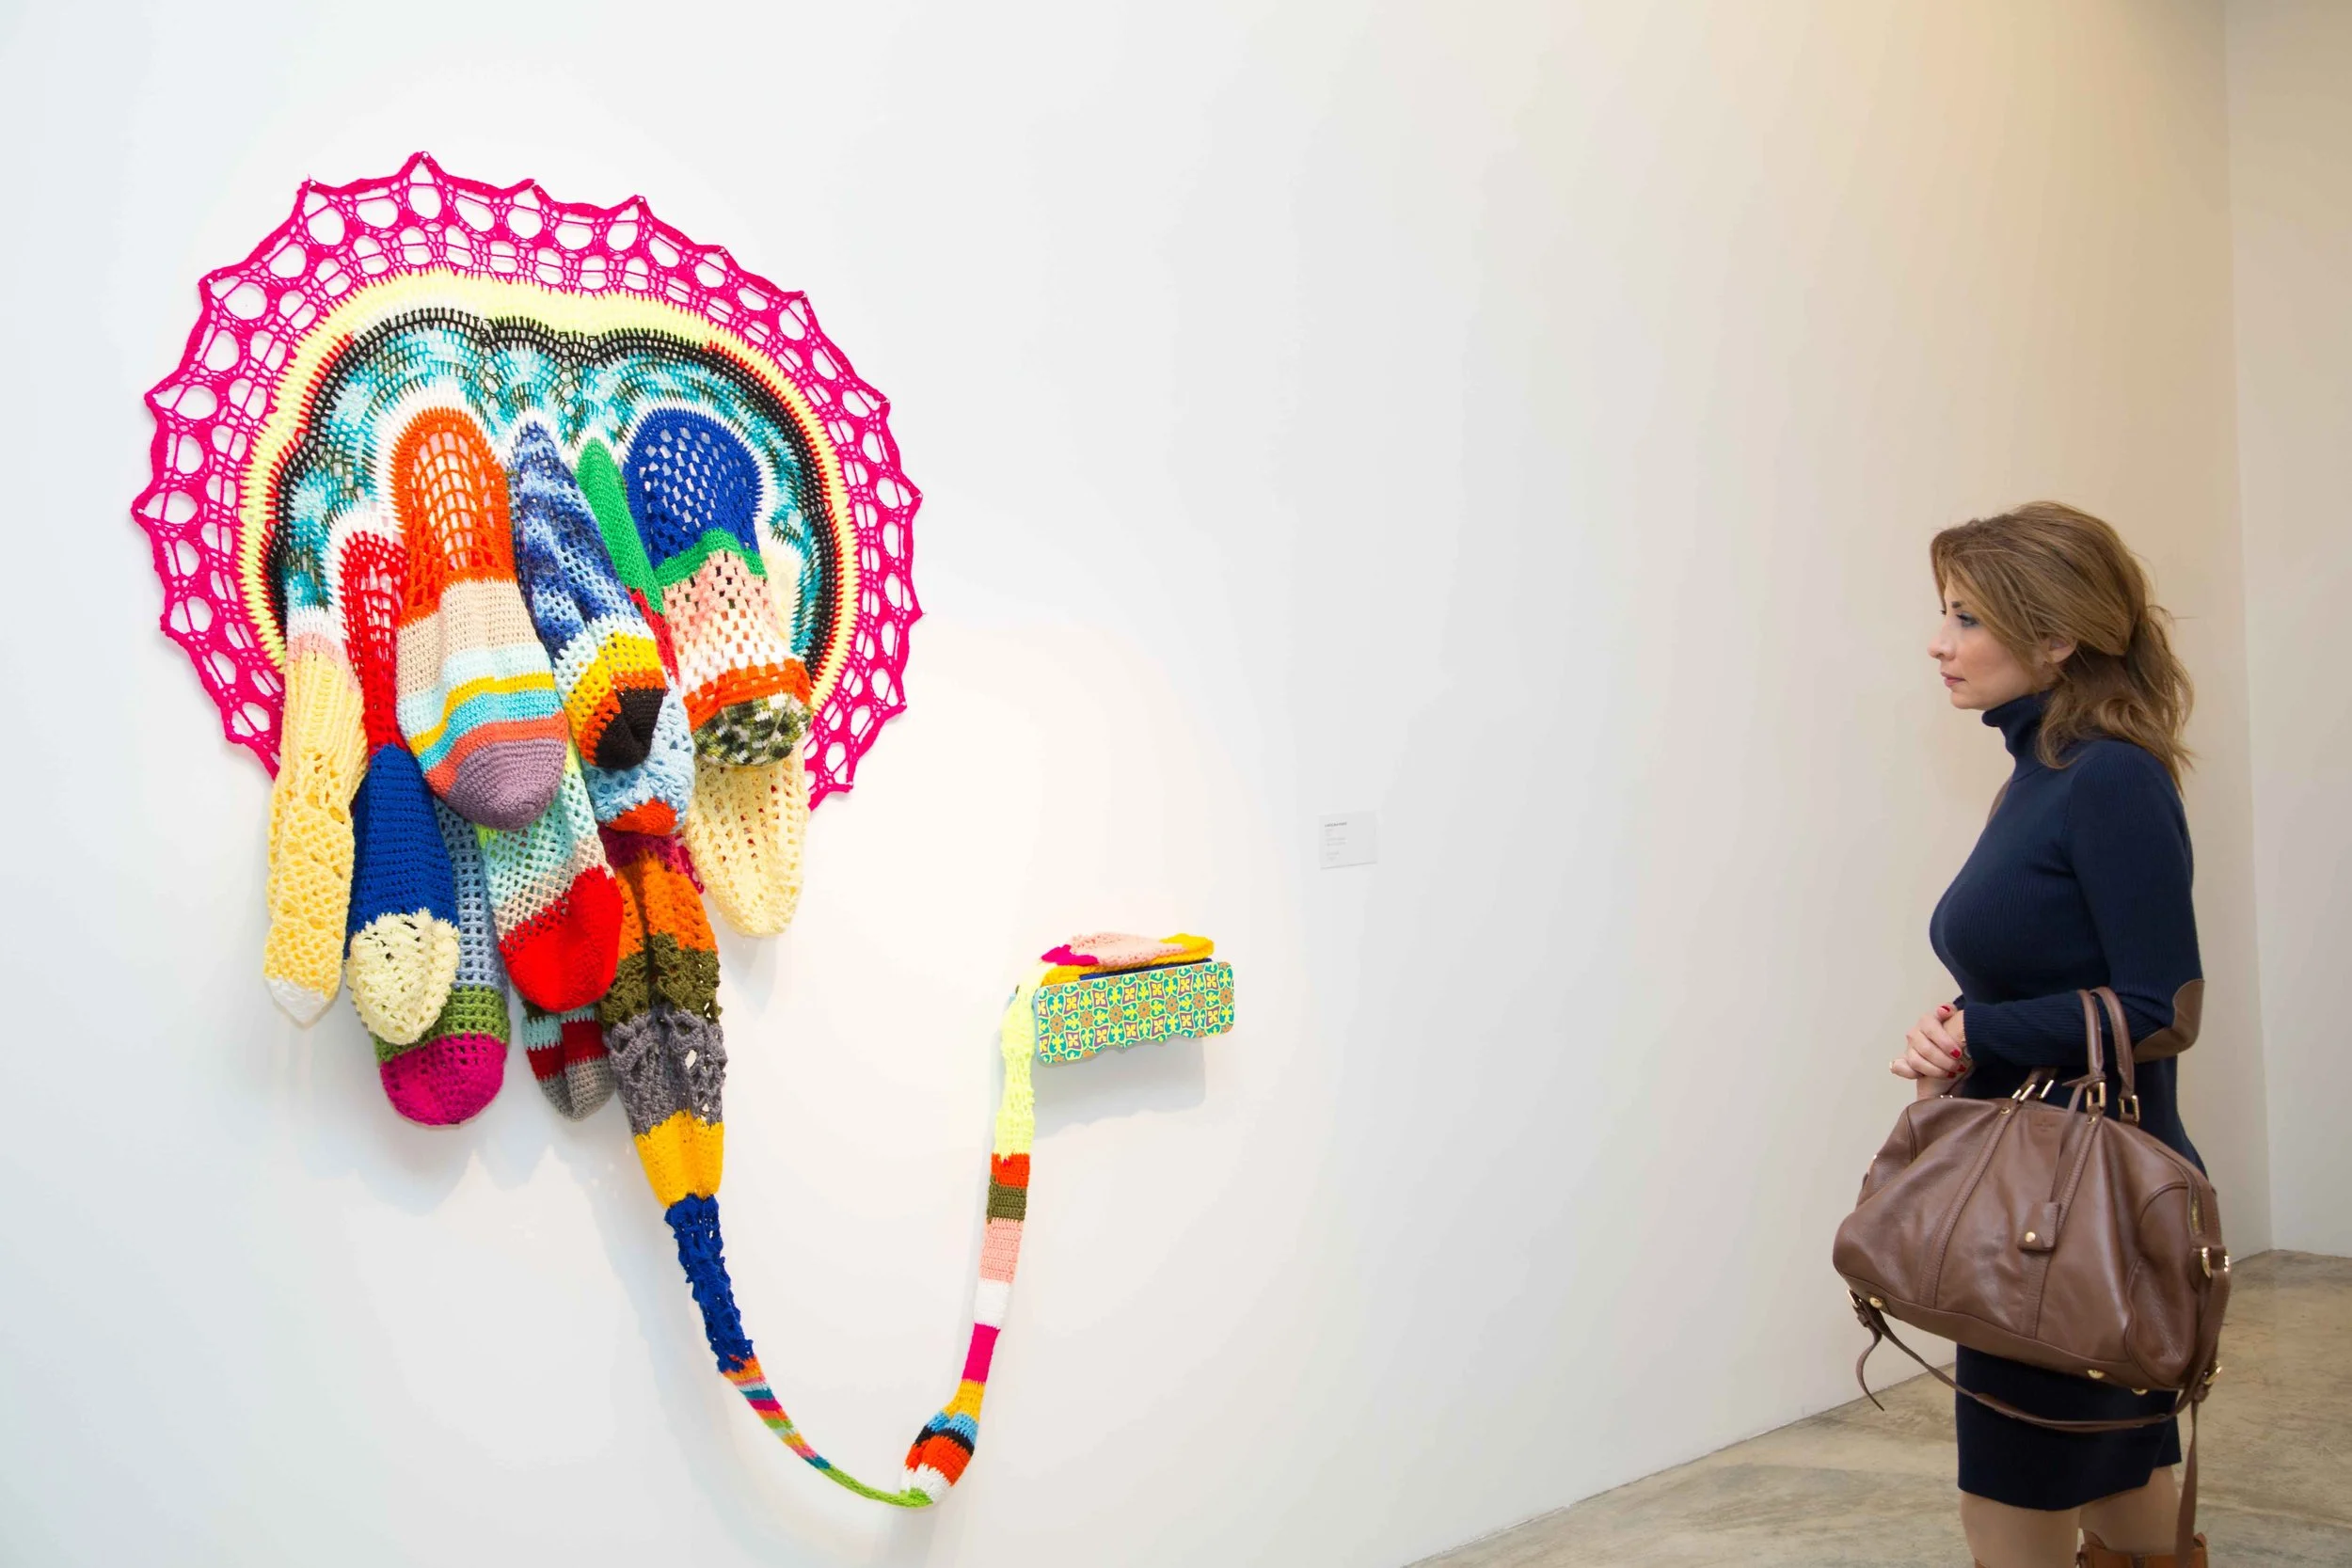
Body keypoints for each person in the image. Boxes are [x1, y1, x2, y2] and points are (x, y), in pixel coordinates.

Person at [1894, 503, 2208, 1568]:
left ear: (2057, 635)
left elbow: (2162, 1006)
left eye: (1967, 616)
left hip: (2072, 1212)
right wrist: (1965, 1024)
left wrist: (1980, 1030)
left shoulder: (2109, 778)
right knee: (2117, 1477)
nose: (1940, 641)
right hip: (2038, 1193)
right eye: (1944, 612)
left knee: (2014, 1498)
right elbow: (2059, 971)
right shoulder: (2039, 776)